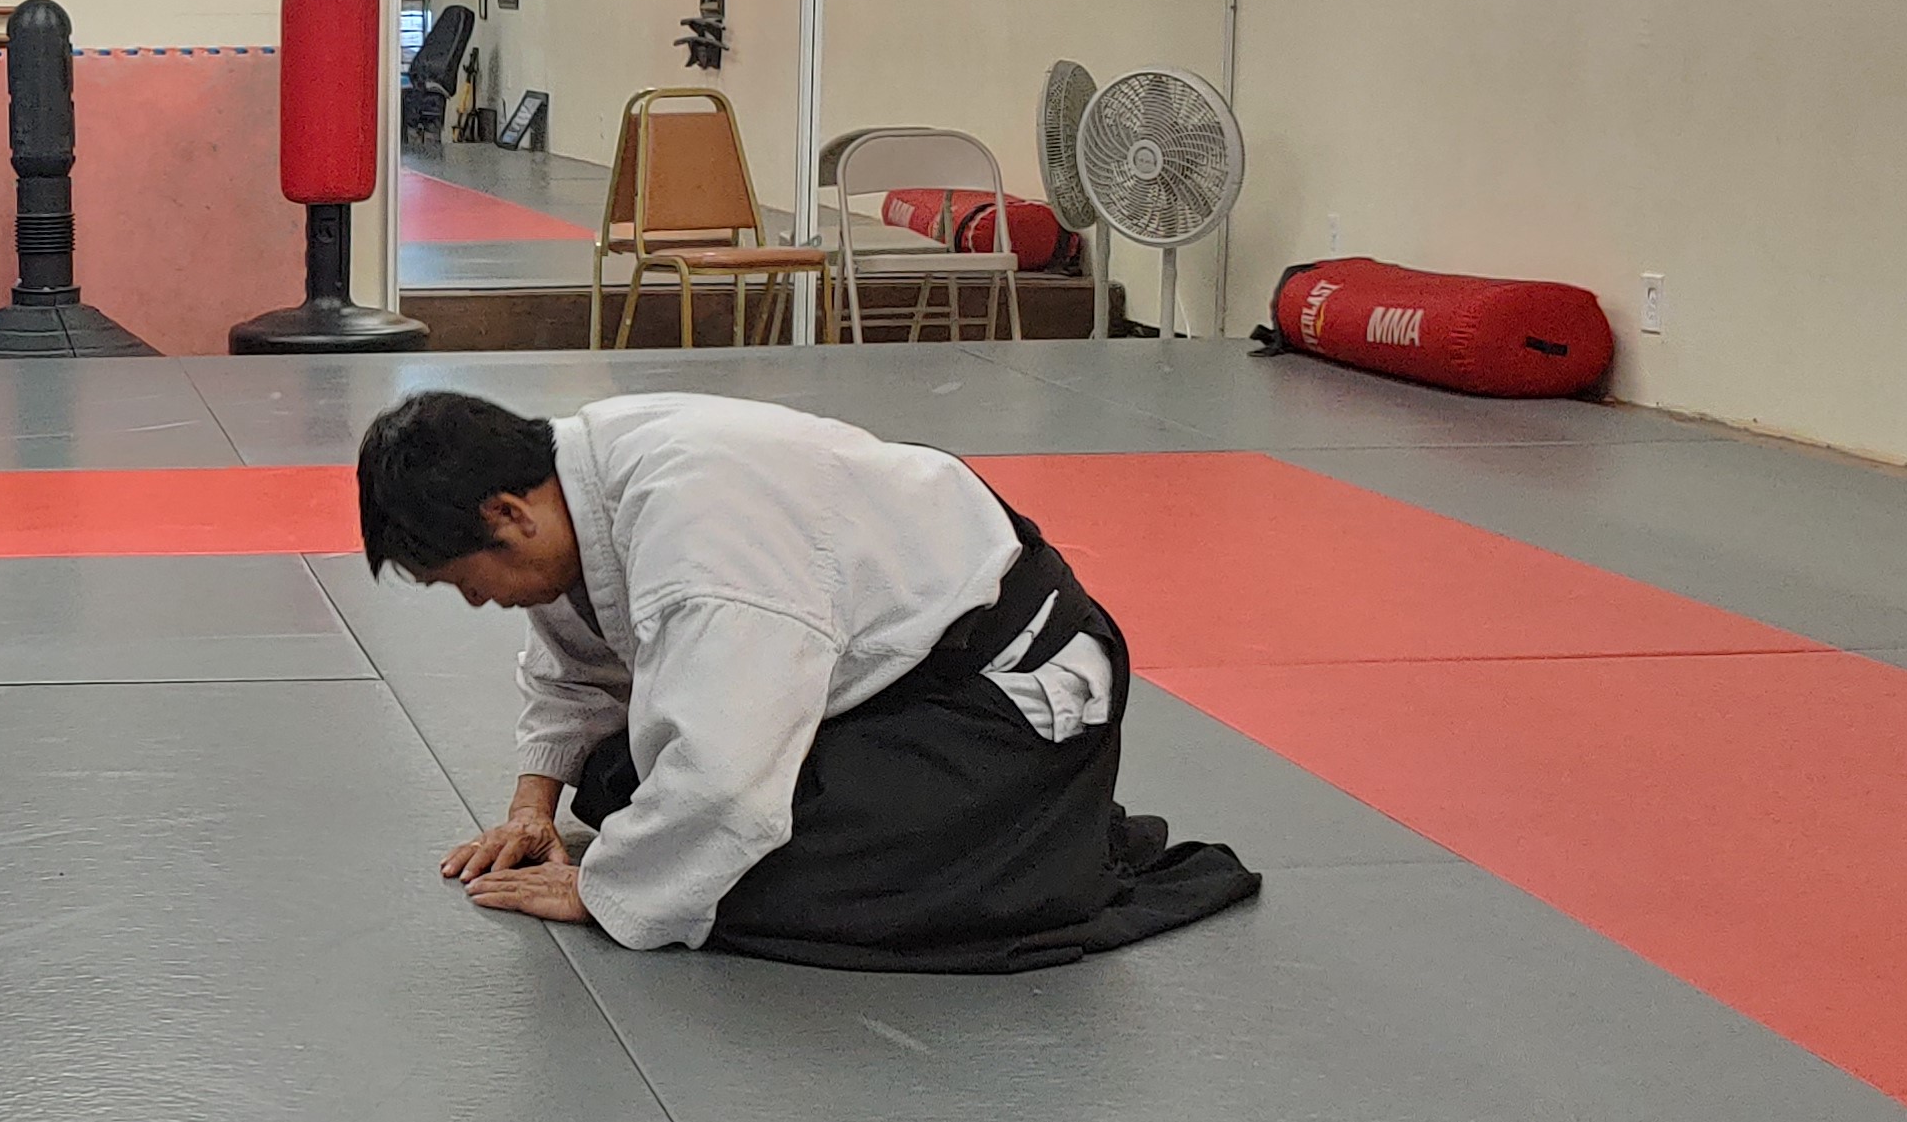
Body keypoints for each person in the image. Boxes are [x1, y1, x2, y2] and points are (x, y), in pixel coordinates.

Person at [356, 388, 1257, 971]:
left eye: (464, 582)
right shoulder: (571, 487)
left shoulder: (697, 534)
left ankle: (1022, 835)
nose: (477, 603)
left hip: (1002, 697)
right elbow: (575, 667)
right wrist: (532, 812)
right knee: (619, 781)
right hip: (884, 681)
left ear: (506, 513)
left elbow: (727, 789)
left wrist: (606, 890)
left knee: (778, 871)